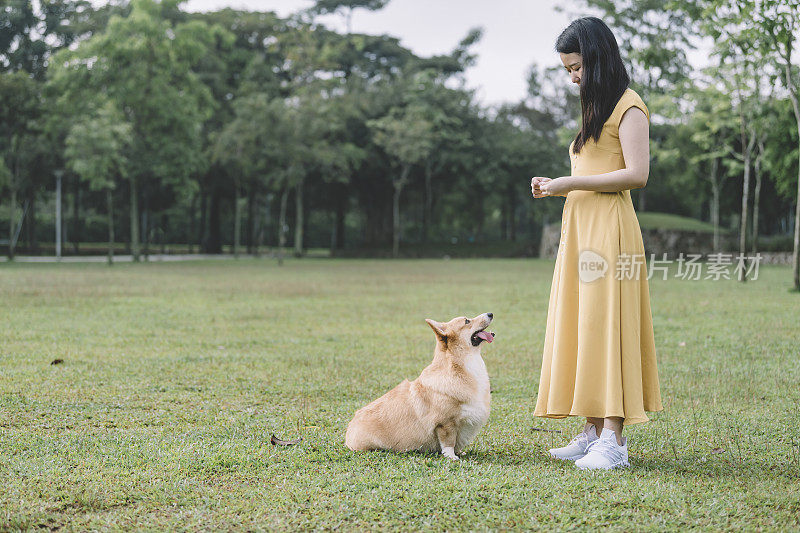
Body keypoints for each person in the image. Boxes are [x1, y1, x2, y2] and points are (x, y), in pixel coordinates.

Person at [530, 16, 663, 470]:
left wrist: (570, 182)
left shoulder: (630, 106)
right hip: (581, 228)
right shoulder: (594, 108)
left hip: (610, 229)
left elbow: (637, 173)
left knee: (608, 326)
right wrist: (557, 184)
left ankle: (614, 440)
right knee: (583, 323)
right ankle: (591, 430)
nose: (572, 77)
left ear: (599, 59)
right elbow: (591, 169)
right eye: (567, 69)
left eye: (577, 67)